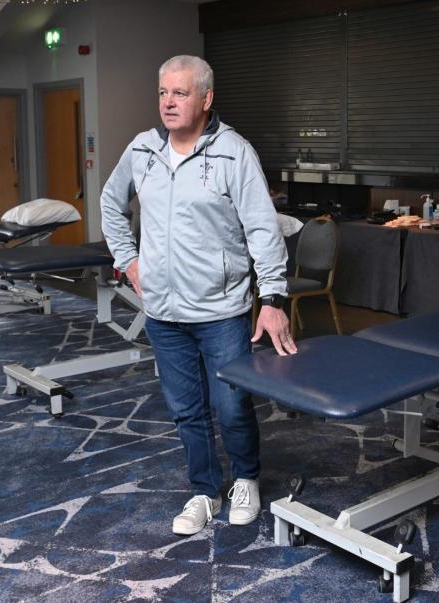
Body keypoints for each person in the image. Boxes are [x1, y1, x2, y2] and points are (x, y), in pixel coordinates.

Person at [100, 55, 297, 536]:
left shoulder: (234, 153)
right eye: (163, 93)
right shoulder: (143, 150)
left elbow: (261, 228)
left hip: (221, 310)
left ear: (206, 99)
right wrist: (128, 260)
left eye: (180, 93)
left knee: (231, 406)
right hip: (163, 311)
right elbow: (110, 202)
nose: (168, 102)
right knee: (186, 408)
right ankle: (205, 491)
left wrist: (271, 298)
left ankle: (246, 478)